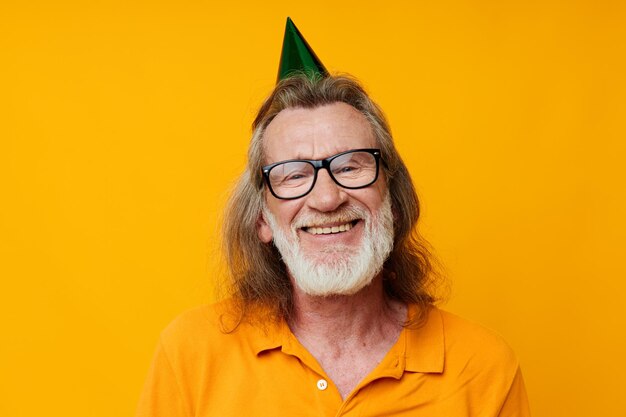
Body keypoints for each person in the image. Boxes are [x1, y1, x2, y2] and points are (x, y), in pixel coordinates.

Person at [136, 19, 530, 417]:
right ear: (262, 219)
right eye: (294, 175)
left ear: (392, 198)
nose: (326, 198)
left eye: (351, 167)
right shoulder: (190, 354)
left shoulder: (483, 368)